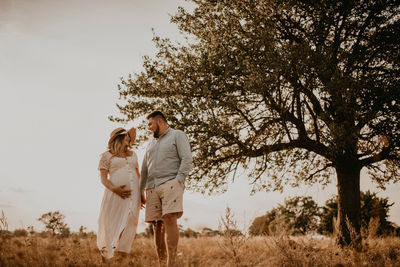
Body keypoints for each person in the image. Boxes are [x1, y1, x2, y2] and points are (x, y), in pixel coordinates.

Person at [140, 111, 192, 266]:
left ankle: (172, 263)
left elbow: (187, 158)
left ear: (160, 121)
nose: (148, 127)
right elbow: (144, 171)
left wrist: (179, 180)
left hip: (171, 183)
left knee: (169, 219)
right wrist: (140, 191)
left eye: (150, 124)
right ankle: (161, 262)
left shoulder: (177, 135)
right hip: (152, 187)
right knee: (157, 225)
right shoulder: (150, 143)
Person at [97, 127, 144, 261]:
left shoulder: (133, 154)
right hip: (115, 194)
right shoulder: (107, 156)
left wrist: (141, 194)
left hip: (133, 196)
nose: (128, 138)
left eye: (128, 136)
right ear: (118, 139)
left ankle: (121, 257)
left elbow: (138, 175)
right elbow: (104, 178)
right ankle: (106, 256)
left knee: (130, 222)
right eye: (125, 136)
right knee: (111, 222)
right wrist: (116, 189)